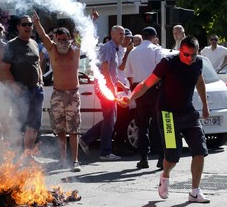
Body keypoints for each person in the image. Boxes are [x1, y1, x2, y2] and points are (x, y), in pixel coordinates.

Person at [119, 36, 210, 203]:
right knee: (173, 155)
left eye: (193, 54)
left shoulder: (198, 63)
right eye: (186, 54)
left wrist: (205, 105)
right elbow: (146, 84)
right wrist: (130, 98)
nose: (190, 58)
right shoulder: (168, 63)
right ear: (180, 50)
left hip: (188, 113)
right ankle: (165, 176)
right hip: (167, 114)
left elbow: (200, 82)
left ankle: (195, 191)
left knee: (200, 151)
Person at [33, 12, 82, 172]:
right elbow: (43, 35)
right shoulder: (52, 50)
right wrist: (37, 23)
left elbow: (82, 33)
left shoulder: (75, 49)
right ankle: (62, 159)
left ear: (69, 39)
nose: (61, 42)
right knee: (59, 129)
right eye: (58, 39)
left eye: (64, 39)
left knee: (73, 129)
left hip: (73, 94)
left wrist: (90, 19)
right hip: (57, 94)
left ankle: (75, 161)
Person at [80, 25, 128, 161]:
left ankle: (85, 139)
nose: (122, 36)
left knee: (109, 119)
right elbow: (105, 69)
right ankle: (105, 152)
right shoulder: (108, 47)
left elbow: (113, 72)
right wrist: (111, 88)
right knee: (110, 120)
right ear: (112, 34)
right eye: (120, 33)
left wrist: (120, 85)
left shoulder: (116, 49)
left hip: (108, 87)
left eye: (123, 34)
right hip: (105, 88)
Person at [1, 15, 43, 163]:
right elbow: (5, 69)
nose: (28, 27)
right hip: (20, 92)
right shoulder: (11, 45)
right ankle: (15, 157)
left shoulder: (34, 43)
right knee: (19, 125)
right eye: (24, 24)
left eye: (30, 24)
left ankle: (28, 156)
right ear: (18, 27)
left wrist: (41, 81)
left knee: (34, 125)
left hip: (36, 90)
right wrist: (14, 86)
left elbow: (37, 64)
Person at [125, 26, 164, 169]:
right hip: (154, 88)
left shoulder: (133, 52)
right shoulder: (156, 50)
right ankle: (161, 158)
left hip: (139, 88)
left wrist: (135, 90)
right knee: (158, 125)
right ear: (154, 37)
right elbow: (161, 70)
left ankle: (143, 158)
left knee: (142, 126)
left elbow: (128, 74)